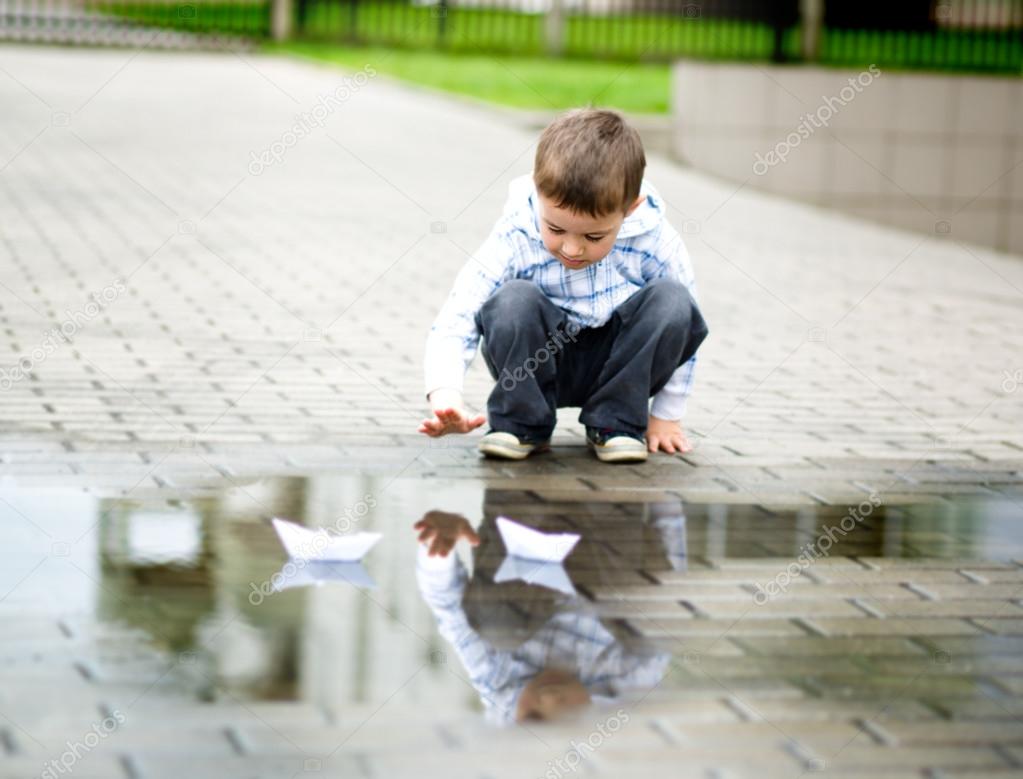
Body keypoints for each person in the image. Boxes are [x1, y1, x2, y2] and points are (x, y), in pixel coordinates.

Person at [419, 108, 708, 463]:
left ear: (629, 209)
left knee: (673, 301)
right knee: (513, 299)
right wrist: (445, 394)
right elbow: (459, 314)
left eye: (594, 235)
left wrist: (666, 416)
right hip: (537, 358)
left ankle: (615, 423)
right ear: (539, 193)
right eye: (555, 229)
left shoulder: (655, 239)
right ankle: (521, 423)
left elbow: (686, 327)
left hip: (620, 364)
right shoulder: (516, 232)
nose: (572, 249)